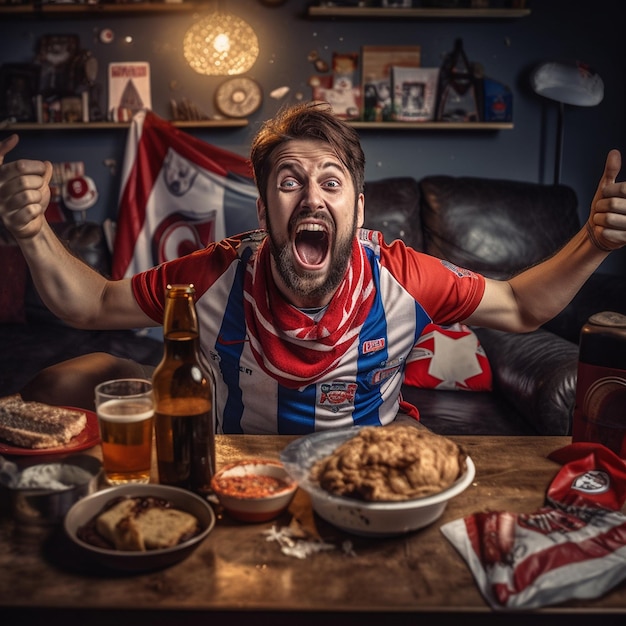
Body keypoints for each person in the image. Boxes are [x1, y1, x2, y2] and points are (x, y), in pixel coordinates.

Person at [1, 102, 625, 434]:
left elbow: (519, 306)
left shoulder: (403, 273)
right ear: (265, 204)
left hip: (361, 465)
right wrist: (32, 230)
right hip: (234, 462)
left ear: (360, 206)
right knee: (68, 379)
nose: (311, 198)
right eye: (289, 181)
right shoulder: (217, 270)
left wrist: (592, 242)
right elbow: (89, 304)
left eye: (332, 181)